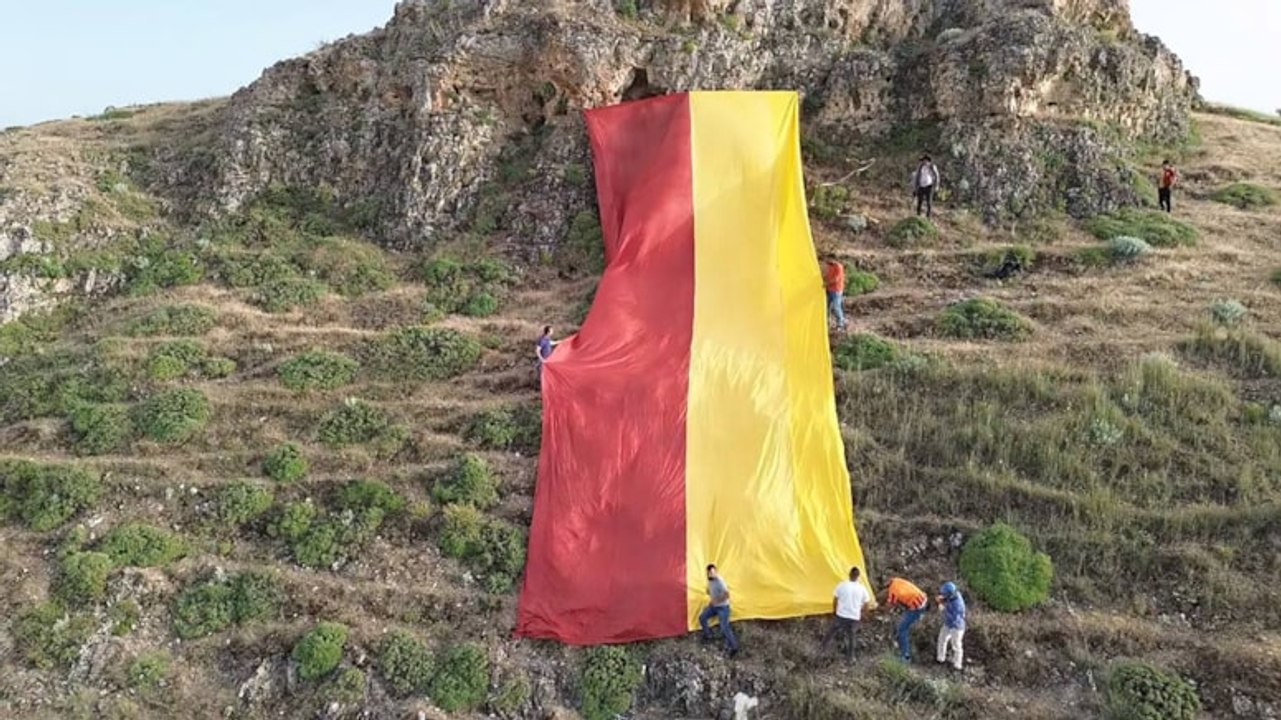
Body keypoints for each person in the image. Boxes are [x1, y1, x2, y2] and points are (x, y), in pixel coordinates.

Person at [821, 566, 872, 662]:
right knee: (852, 637)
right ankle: (851, 658)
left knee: (831, 632)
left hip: (841, 615)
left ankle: (822, 649)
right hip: (854, 617)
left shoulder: (842, 585)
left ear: (849, 575)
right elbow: (867, 604)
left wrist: (834, 611)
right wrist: (864, 614)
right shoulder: (862, 589)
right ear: (858, 576)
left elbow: (835, 599)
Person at [877, 577, 929, 662]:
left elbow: (888, 607)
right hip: (921, 598)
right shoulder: (896, 580)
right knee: (901, 624)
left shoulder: (893, 592)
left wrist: (878, 608)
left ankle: (905, 656)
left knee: (902, 629)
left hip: (917, 607)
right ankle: (901, 644)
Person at [699, 564, 739, 656]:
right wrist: (710, 595)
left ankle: (734, 647)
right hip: (714, 607)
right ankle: (708, 635)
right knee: (702, 618)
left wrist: (716, 601)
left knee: (724, 628)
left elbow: (727, 595)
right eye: (710, 573)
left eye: (713, 572)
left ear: (716, 572)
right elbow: (711, 591)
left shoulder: (720, 581)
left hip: (723, 608)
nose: (712, 574)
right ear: (708, 573)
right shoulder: (710, 581)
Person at [936, 581, 966, 670]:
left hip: (957, 626)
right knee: (942, 639)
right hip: (948, 623)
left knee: (956, 645)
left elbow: (954, 618)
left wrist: (943, 610)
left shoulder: (958, 605)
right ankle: (940, 659)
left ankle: (957, 665)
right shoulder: (953, 595)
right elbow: (947, 599)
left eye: (945, 594)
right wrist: (941, 599)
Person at [822, 258, 847, 332]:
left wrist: (826, 284)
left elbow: (836, 279)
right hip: (830, 290)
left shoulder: (838, 267)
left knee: (836, 307)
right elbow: (827, 276)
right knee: (827, 307)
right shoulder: (830, 266)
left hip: (837, 290)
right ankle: (827, 322)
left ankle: (841, 324)